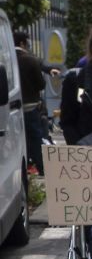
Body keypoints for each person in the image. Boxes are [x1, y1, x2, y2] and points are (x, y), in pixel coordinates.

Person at [14, 31, 46, 174]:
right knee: (35, 138)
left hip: (12, 109)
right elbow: (41, 84)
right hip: (30, 107)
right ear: (22, 43)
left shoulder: (7, 60)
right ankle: (41, 167)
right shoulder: (30, 60)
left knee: (17, 142)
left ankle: (22, 168)